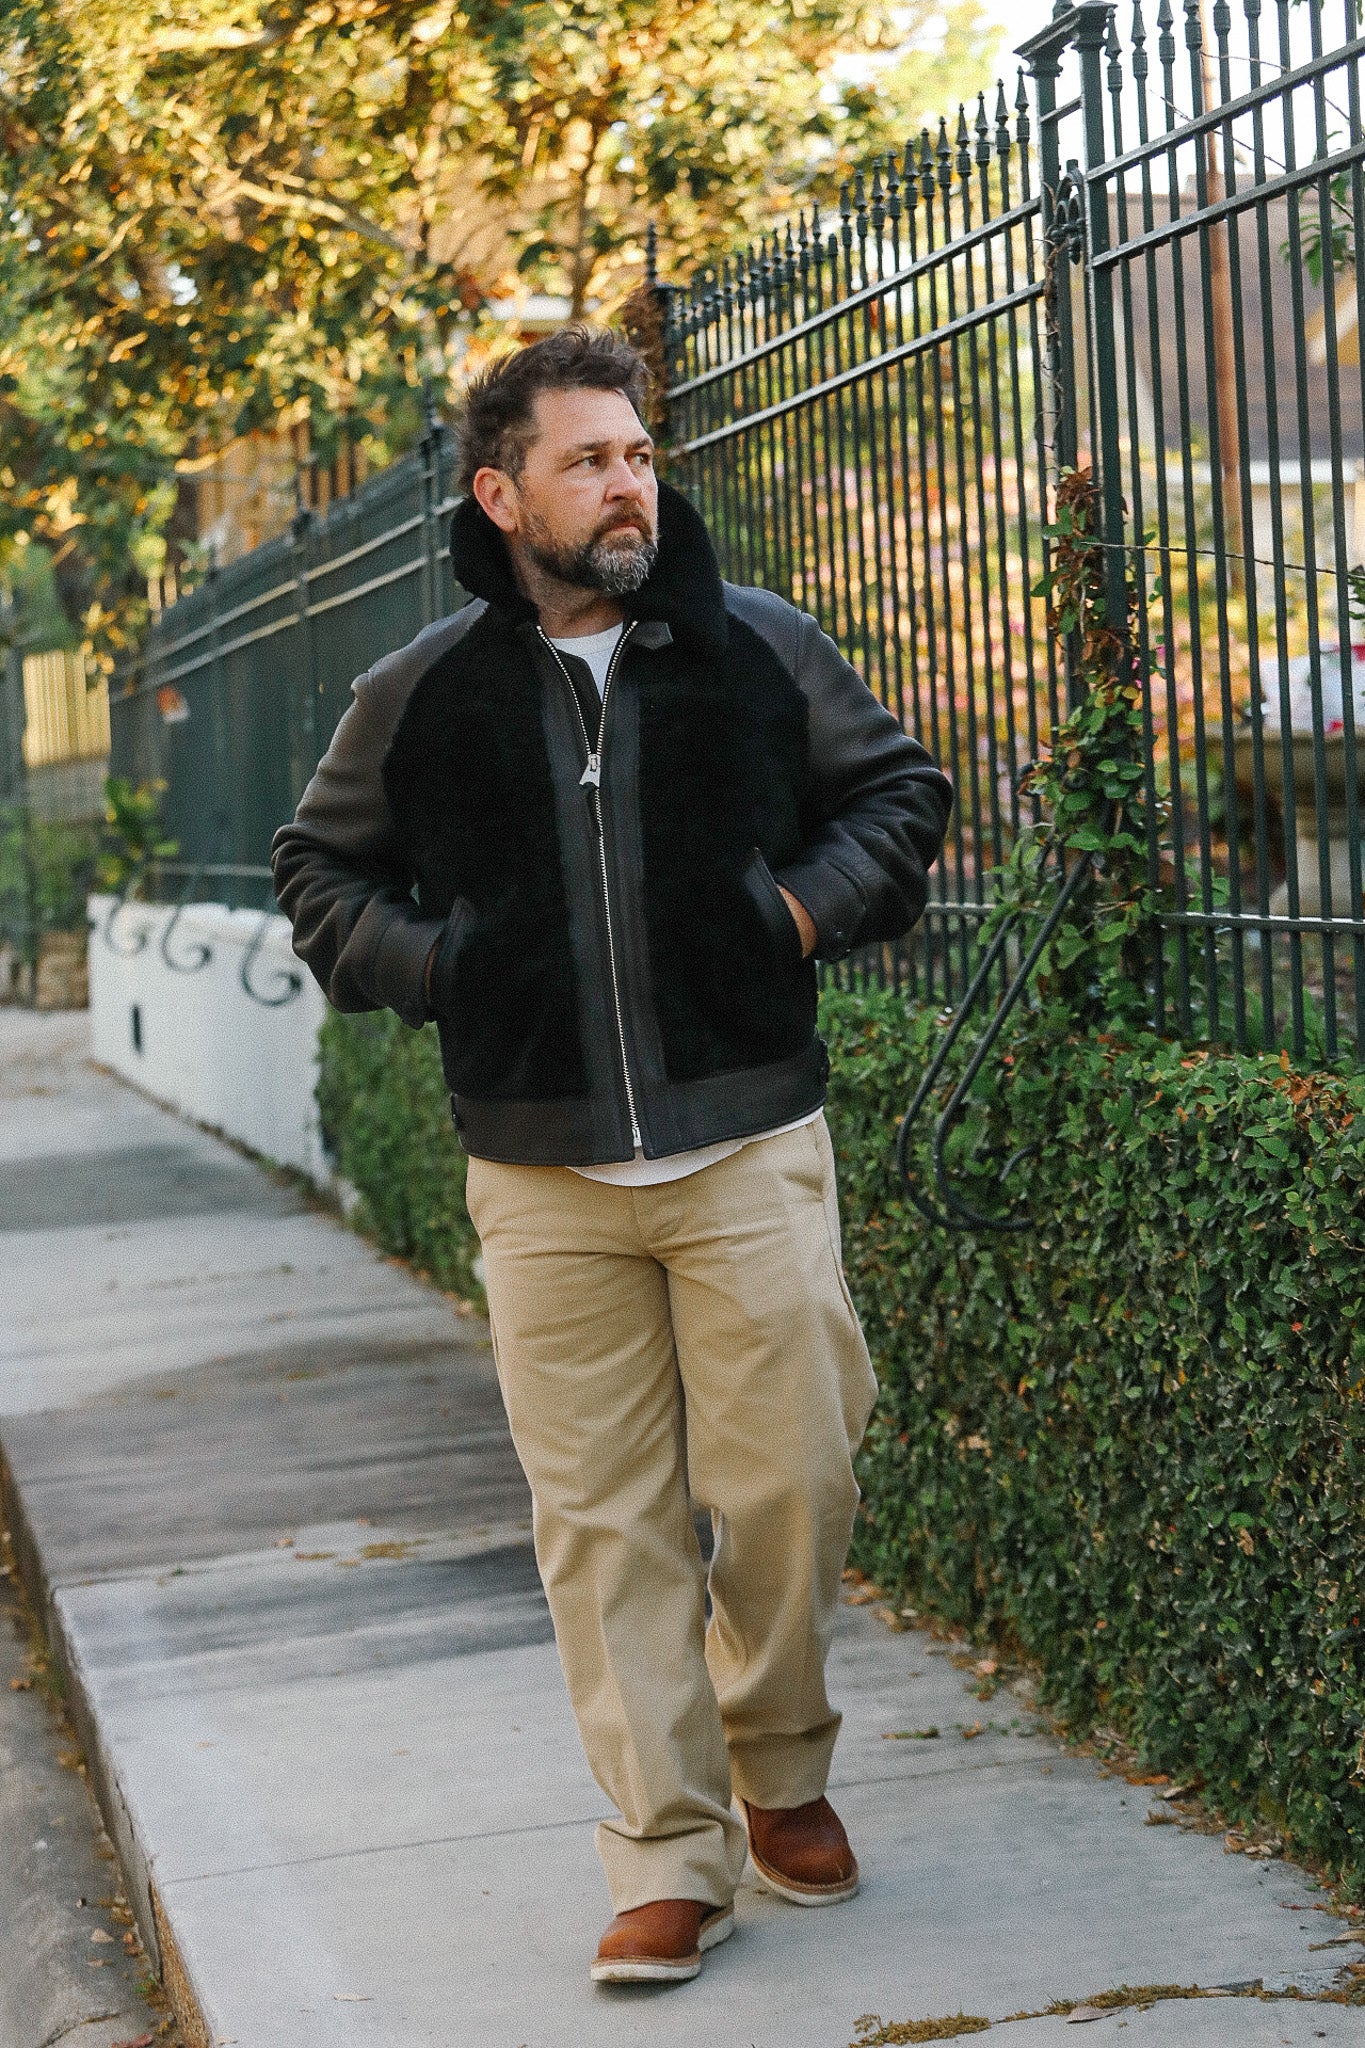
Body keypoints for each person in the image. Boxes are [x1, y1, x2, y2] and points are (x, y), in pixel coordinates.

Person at [271, 325, 952, 1987]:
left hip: (743, 1143)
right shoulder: (419, 694)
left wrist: (793, 911)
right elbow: (315, 869)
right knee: (603, 1525)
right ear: (505, 495)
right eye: (587, 460)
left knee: (794, 1477)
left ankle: (777, 1762)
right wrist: (440, 971)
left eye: (637, 452)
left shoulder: (754, 648)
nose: (628, 480)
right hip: (541, 1171)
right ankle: (668, 1848)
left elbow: (898, 796)